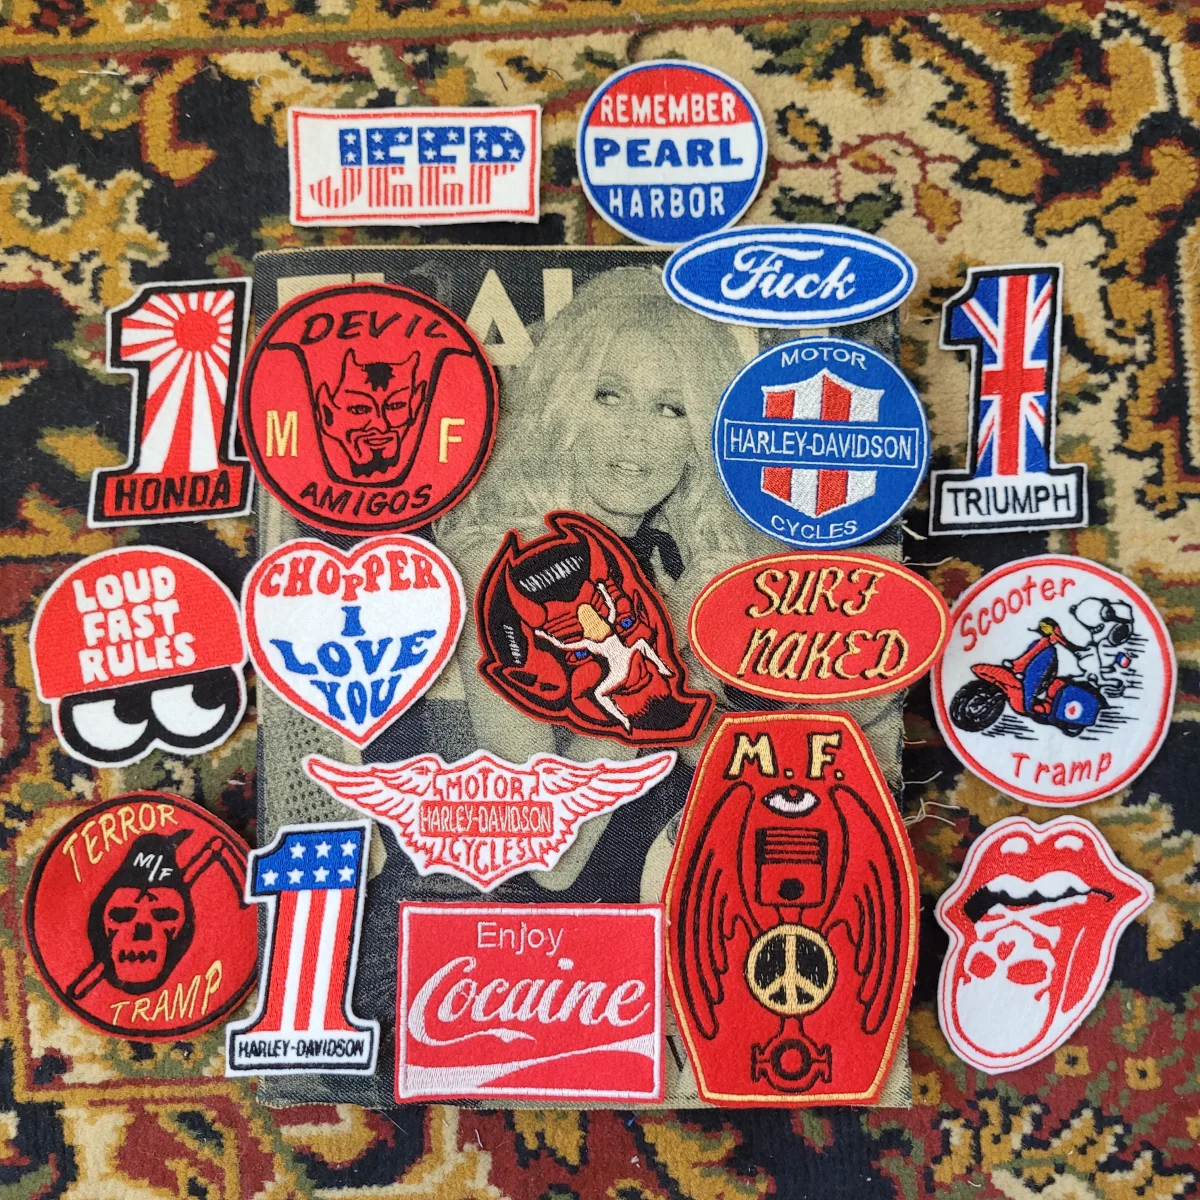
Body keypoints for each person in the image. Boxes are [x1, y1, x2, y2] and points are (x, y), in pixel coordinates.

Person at [436, 266, 775, 885]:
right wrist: (664, 645)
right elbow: (546, 855)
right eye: (608, 396)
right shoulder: (505, 564)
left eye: (670, 409)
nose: (635, 435)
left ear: (701, 437)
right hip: (535, 922)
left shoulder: (674, 557)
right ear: (561, 407)